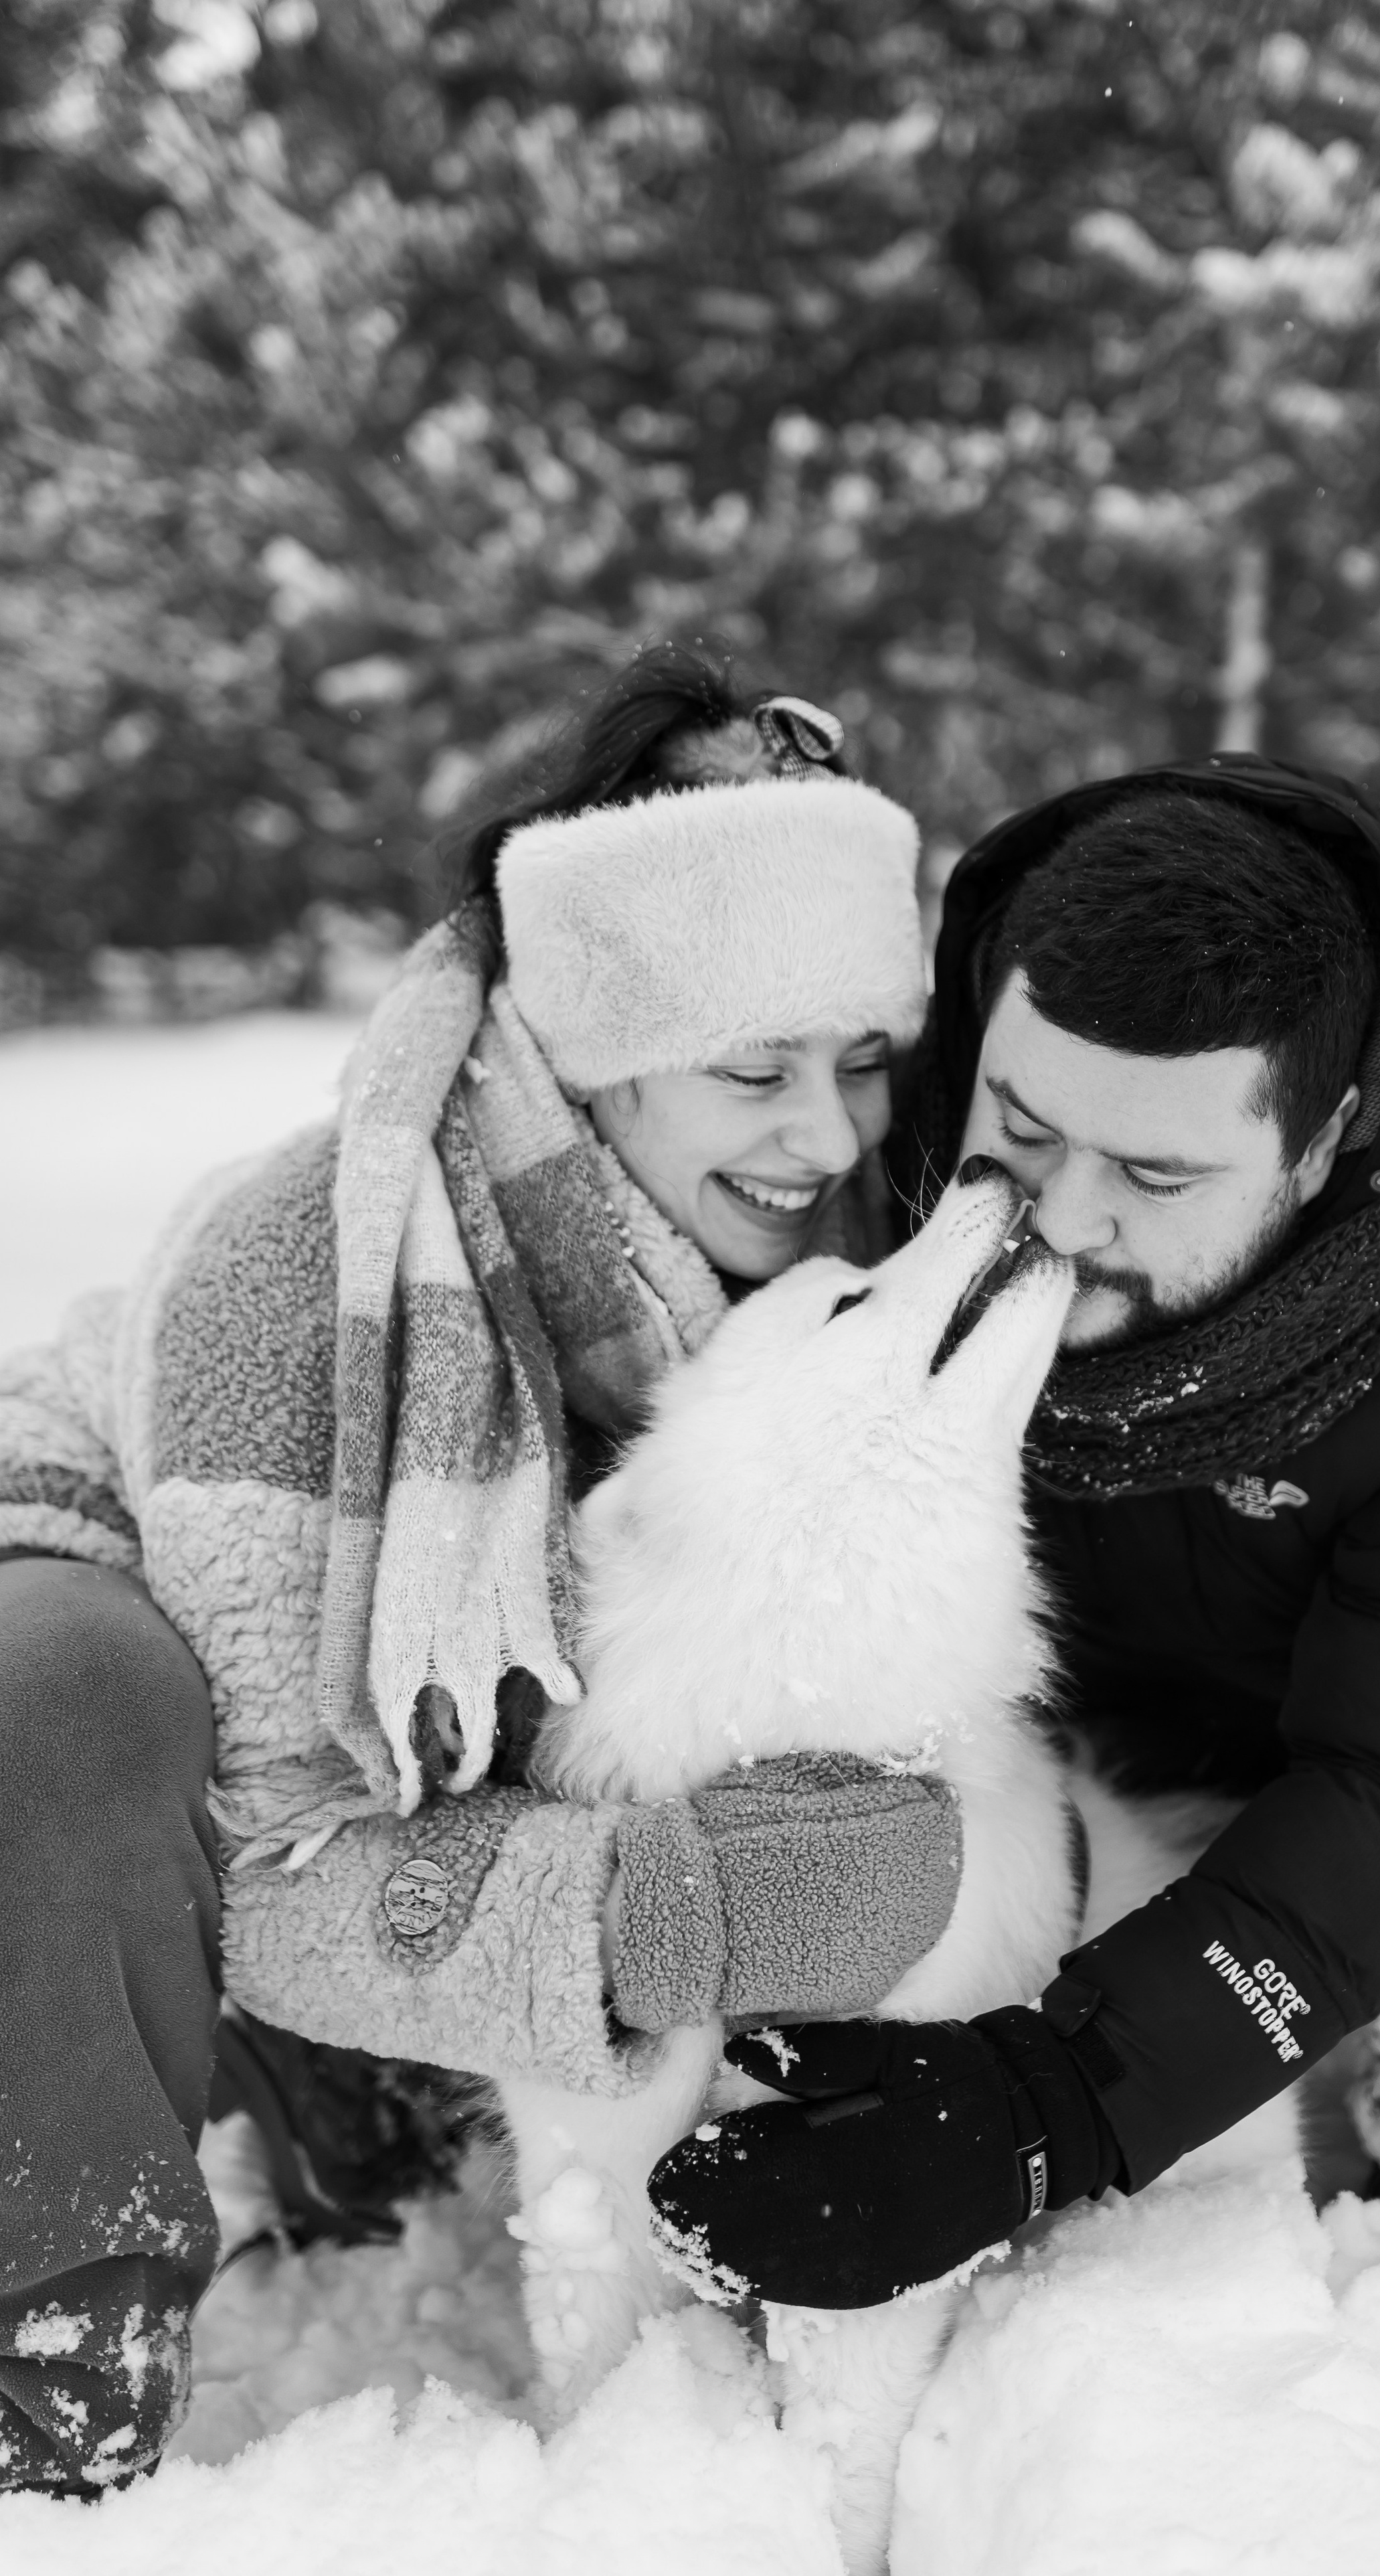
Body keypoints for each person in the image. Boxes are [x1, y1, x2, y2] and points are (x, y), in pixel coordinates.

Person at [0, 644, 964, 2493]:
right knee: (59, 1710)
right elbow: (285, 1852)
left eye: (860, 1063)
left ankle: (367, 2090)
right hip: (128, 1615)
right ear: (591, 1054)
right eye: (752, 1069)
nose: (827, 1133)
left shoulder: (796, 1217)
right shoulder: (312, 1280)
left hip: (414, 1747)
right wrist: (664, 1917)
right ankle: (49, 2379)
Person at [649, 753, 1380, 2314]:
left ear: (1324, 1136)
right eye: (1020, 1125)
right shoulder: (881, 1119)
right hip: (1085, 1662)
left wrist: (1045, 2107)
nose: (1056, 1217)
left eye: (1153, 1173)